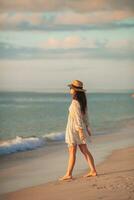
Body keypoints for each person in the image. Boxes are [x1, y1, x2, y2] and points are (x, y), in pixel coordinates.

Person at [59, 80, 98, 181]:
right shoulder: (82, 101)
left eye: (71, 88)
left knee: (72, 151)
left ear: (75, 90)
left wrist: (80, 131)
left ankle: (68, 174)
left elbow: (77, 118)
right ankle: (93, 170)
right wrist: (87, 127)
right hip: (79, 128)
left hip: (74, 129)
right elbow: (85, 116)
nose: (70, 89)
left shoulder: (75, 102)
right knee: (84, 150)